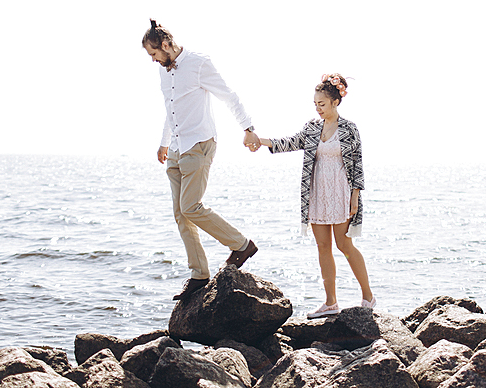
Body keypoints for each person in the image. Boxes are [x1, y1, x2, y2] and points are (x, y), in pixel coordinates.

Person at [142, 19, 259, 301]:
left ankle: (241, 245)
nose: (154, 60)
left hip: (199, 143)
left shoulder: (198, 63)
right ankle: (199, 274)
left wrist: (248, 128)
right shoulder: (164, 72)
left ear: (167, 45)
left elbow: (228, 96)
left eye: (154, 54)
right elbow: (170, 108)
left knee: (191, 206)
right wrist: (163, 143)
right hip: (176, 149)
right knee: (181, 214)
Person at [247, 73, 374, 318]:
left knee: (344, 244)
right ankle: (330, 303)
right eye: (315, 104)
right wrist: (259, 140)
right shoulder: (312, 127)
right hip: (316, 192)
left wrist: (355, 197)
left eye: (322, 104)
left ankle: (368, 296)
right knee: (323, 246)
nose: (318, 108)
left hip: (341, 191)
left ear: (336, 102)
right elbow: (290, 142)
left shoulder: (349, 129)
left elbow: (358, 165)